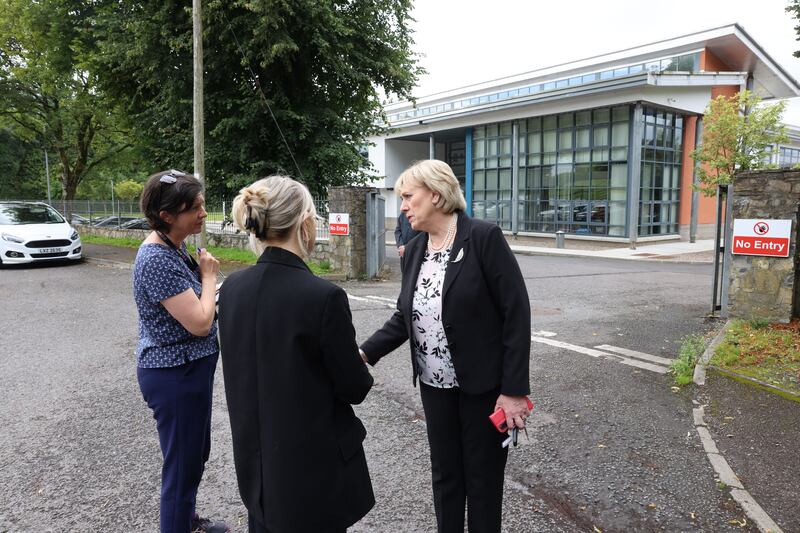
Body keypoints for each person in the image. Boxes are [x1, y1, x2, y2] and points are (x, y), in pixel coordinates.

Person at [360, 159, 531, 533]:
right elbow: (405, 316)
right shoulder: (417, 246)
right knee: (446, 476)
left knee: (483, 480)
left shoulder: (483, 238)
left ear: (436, 195)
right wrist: (364, 353)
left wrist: (514, 391)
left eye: (408, 196)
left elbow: (516, 314)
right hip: (435, 387)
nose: (402, 206)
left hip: (483, 388)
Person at [217, 175, 375, 533]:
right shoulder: (322, 296)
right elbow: (354, 387)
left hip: (256, 469)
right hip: (312, 474)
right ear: (305, 223)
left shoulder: (232, 290)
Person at [132, 170, 229, 533]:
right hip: (175, 376)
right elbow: (200, 322)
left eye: (203, 204)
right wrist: (208, 276)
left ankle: (187, 521)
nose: (203, 213)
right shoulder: (156, 259)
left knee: (194, 457)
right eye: (195, 208)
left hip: (189, 371)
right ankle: (178, 524)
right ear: (167, 216)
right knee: (182, 467)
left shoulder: (175, 244)